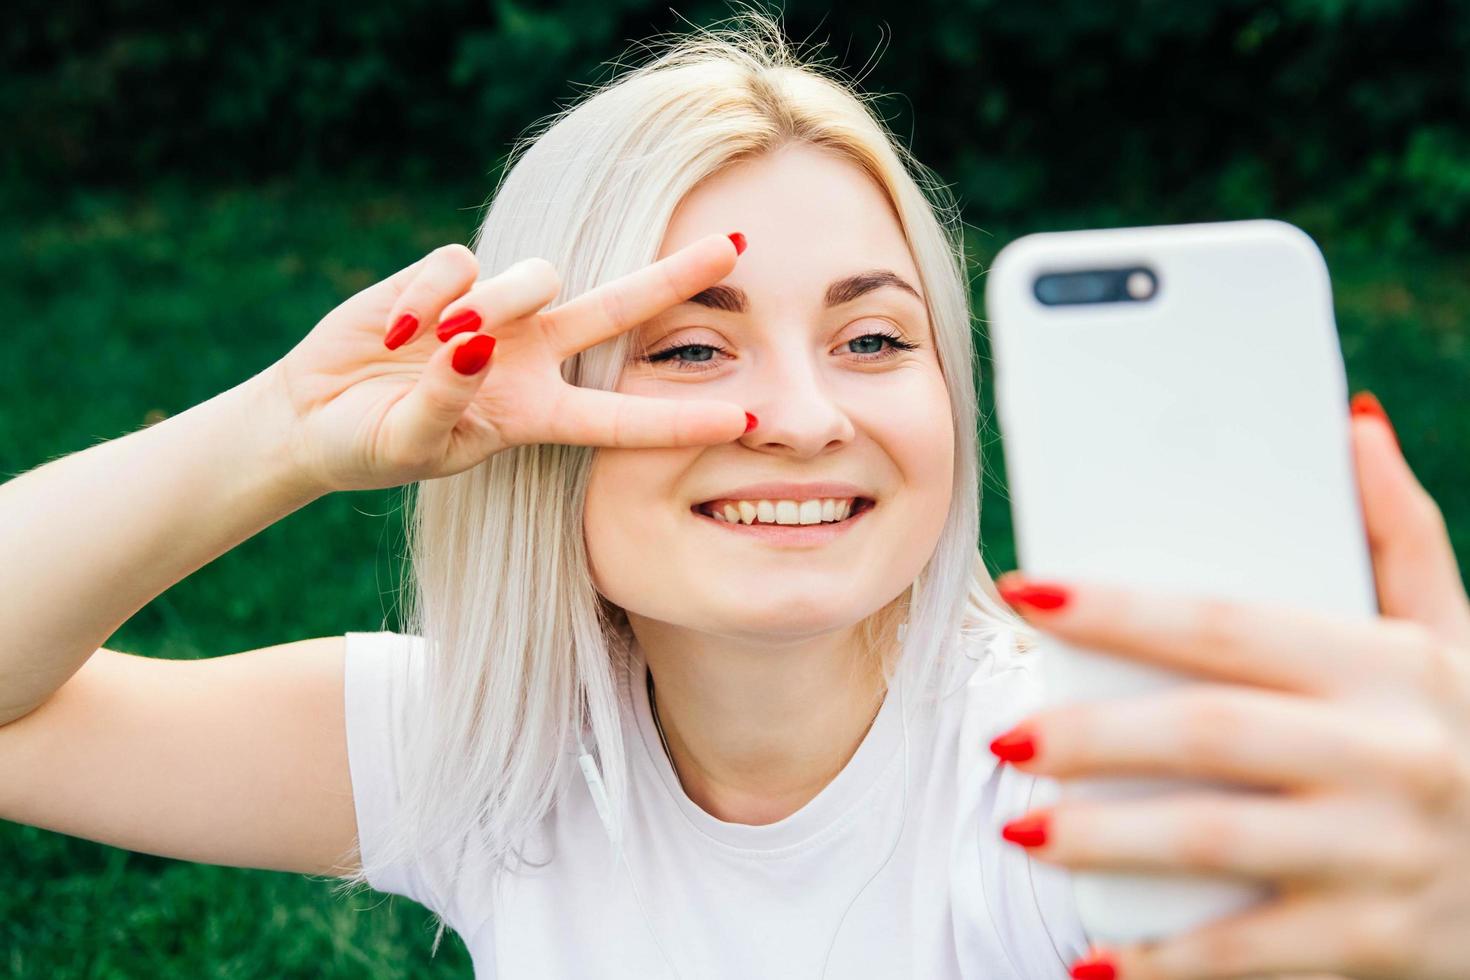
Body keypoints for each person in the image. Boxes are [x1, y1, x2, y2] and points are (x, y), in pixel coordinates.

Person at [4, 13, 1469, 980]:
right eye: (690, 348)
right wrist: (281, 433)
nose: (805, 416)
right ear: (532, 423)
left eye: (874, 337)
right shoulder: (477, 752)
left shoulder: (1099, 780)